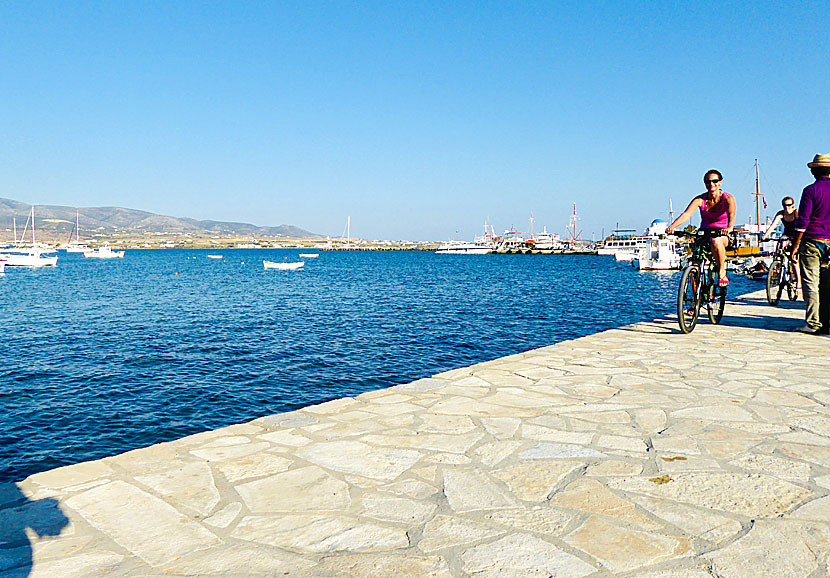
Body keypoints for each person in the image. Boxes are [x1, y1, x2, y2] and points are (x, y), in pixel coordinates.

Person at [667, 169, 736, 286]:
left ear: (720, 182)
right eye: (708, 182)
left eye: (715, 181)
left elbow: (732, 215)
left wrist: (729, 228)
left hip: (723, 233)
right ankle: (695, 294)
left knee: (716, 241)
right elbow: (686, 214)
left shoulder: (728, 198)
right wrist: (672, 227)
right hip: (704, 233)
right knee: (695, 261)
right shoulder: (700, 200)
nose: (711, 184)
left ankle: (722, 271)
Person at [790, 154, 830, 334]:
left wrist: (795, 246)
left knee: (811, 282)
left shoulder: (810, 191)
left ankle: (813, 322)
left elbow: (802, 223)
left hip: (813, 241)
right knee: (827, 283)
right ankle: (826, 320)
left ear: (814, 170)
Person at [762, 196, 801, 293]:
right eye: (784, 205)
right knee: (780, 246)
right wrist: (765, 236)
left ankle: (798, 283)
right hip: (786, 235)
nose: (787, 208)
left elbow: (802, 226)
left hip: (796, 236)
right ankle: (778, 264)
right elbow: (773, 225)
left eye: (789, 205)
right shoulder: (781, 214)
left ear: (793, 205)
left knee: (794, 259)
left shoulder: (796, 213)